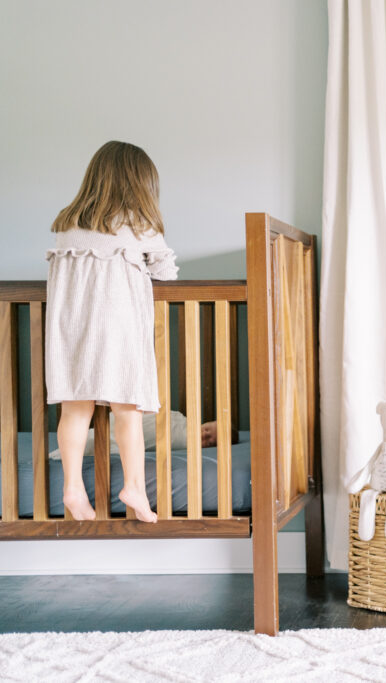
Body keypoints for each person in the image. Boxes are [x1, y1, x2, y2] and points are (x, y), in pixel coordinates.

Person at [45, 141, 178, 523]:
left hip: (70, 329)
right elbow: (166, 270)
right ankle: (133, 485)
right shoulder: (139, 224)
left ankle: (72, 487)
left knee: (74, 408)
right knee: (129, 410)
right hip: (116, 328)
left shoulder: (66, 222)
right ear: (138, 184)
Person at [47, 411, 241, 460]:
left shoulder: (184, 441)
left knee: (95, 442)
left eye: (210, 442)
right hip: (124, 425)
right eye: (208, 430)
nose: (204, 436)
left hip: (122, 438)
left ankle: (78, 445)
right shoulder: (181, 419)